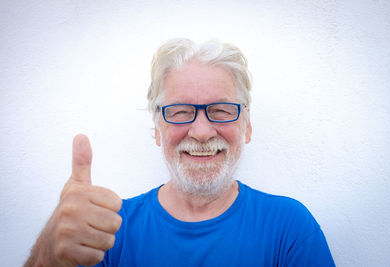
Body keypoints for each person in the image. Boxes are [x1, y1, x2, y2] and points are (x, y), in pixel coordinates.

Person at [25, 38, 335, 267]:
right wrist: (46, 255)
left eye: (221, 109)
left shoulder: (290, 228)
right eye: (182, 111)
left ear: (247, 126)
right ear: (157, 129)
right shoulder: (106, 230)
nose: (201, 132)